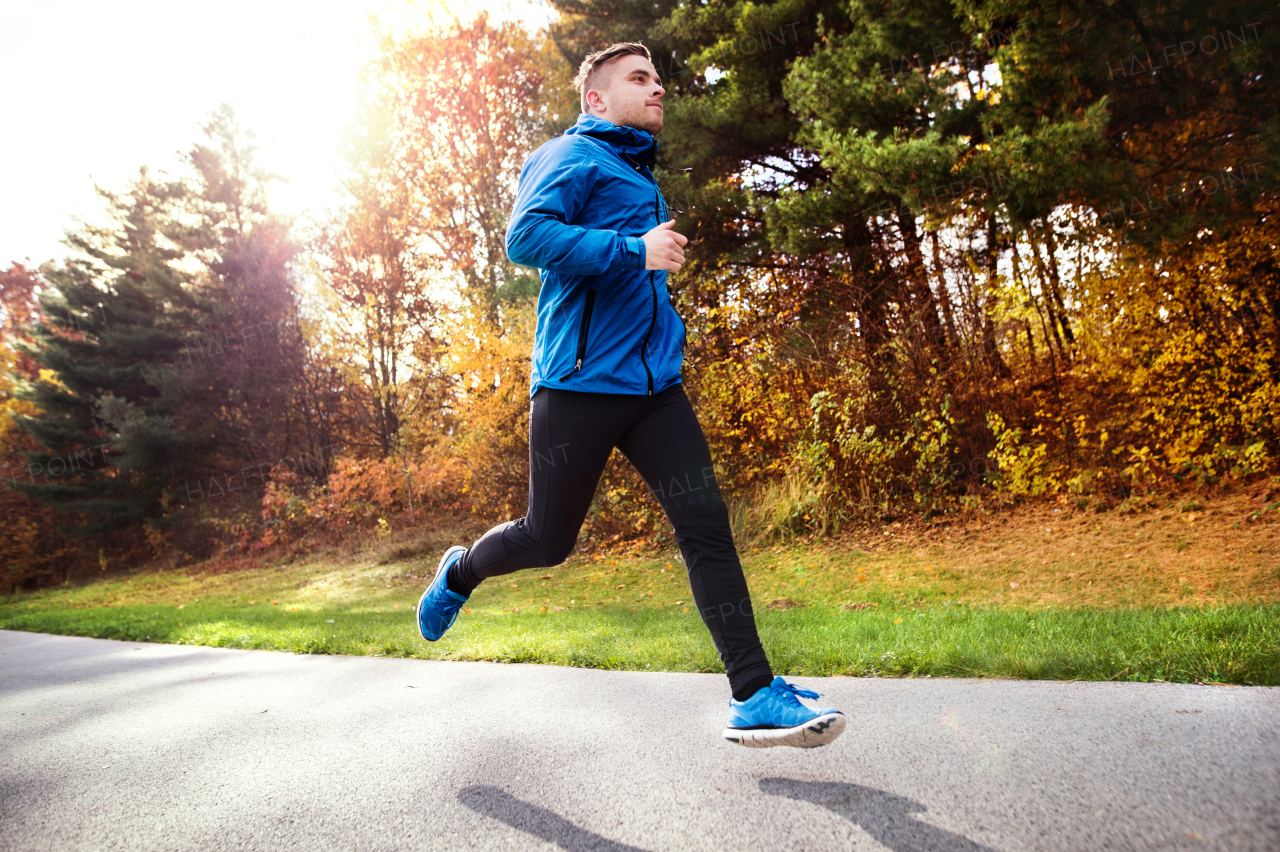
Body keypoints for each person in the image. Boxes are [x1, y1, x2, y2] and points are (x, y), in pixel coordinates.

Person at [415, 41, 845, 749]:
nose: (658, 90)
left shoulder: (638, 174)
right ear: (596, 100)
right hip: (577, 389)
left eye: (658, 80)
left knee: (705, 527)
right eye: (640, 79)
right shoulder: (570, 155)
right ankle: (460, 573)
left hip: (654, 393)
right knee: (546, 541)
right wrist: (631, 250)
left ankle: (755, 694)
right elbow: (525, 237)